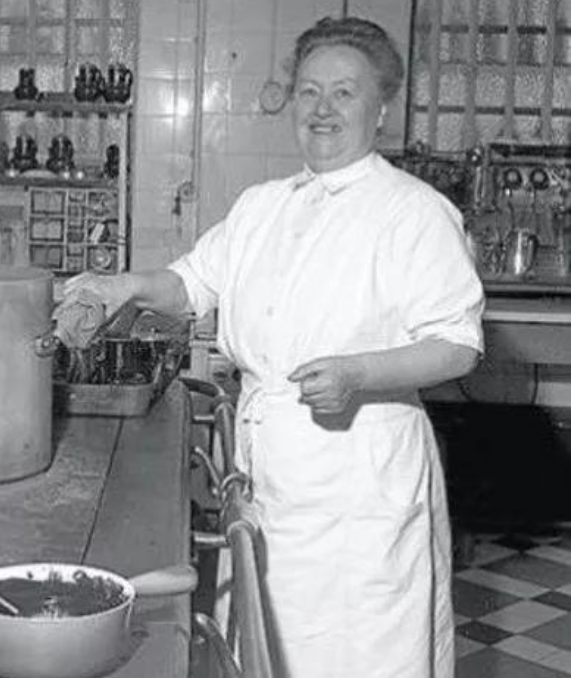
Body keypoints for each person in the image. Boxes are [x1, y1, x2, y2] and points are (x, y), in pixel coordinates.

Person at [56, 15, 484, 678]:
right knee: (263, 648)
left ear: (382, 108)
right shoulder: (264, 205)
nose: (321, 108)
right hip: (267, 474)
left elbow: (456, 345)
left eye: (344, 92)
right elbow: (192, 284)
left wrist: (359, 372)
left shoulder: (415, 212)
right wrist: (125, 287)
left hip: (356, 486)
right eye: (309, 91)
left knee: (358, 652)